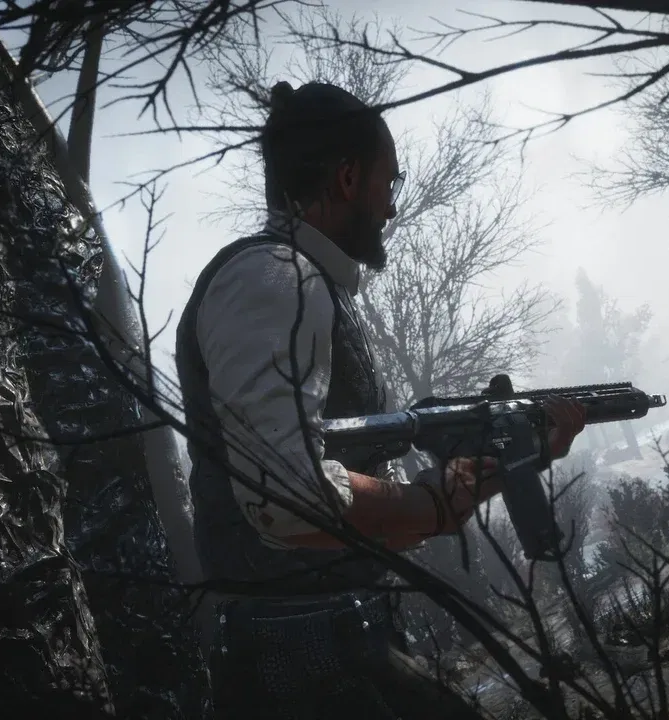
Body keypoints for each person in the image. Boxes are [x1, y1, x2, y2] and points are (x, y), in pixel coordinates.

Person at [174, 80, 587, 720]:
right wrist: (425, 505)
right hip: (300, 658)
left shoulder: (308, 285)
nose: (392, 206)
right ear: (347, 177)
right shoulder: (275, 278)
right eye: (388, 182)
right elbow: (288, 495)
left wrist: (509, 457)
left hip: (335, 640)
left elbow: (359, 500)